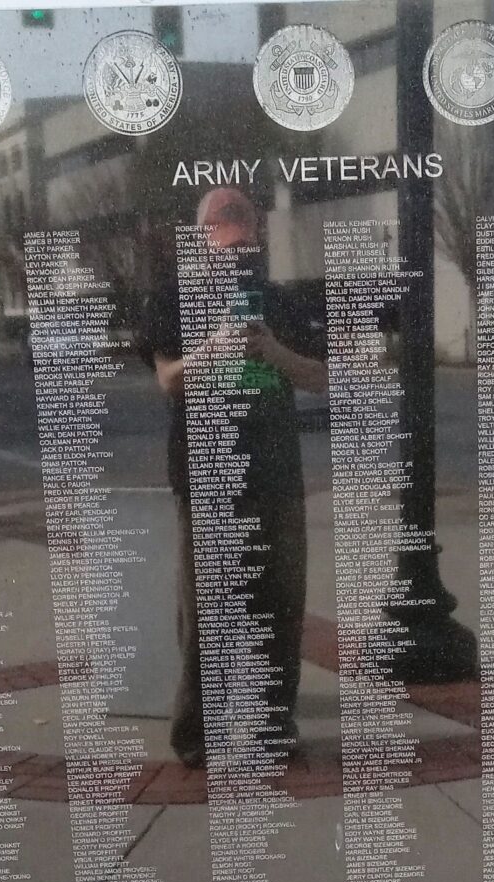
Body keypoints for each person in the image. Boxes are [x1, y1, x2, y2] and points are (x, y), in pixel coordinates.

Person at [142, 188, 328, 768]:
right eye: (223, 248)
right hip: (206, 476)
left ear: (257, 243)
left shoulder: (280, 302)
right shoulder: (173, 301)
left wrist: (272, 351)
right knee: (205, 613)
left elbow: (321, 377)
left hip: (276, 478)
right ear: (201, 245)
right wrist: (212, 350)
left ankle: (275, 722)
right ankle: (196, 733)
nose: (234, 259)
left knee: (280, 605)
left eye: (243, 248)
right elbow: (168, 379)